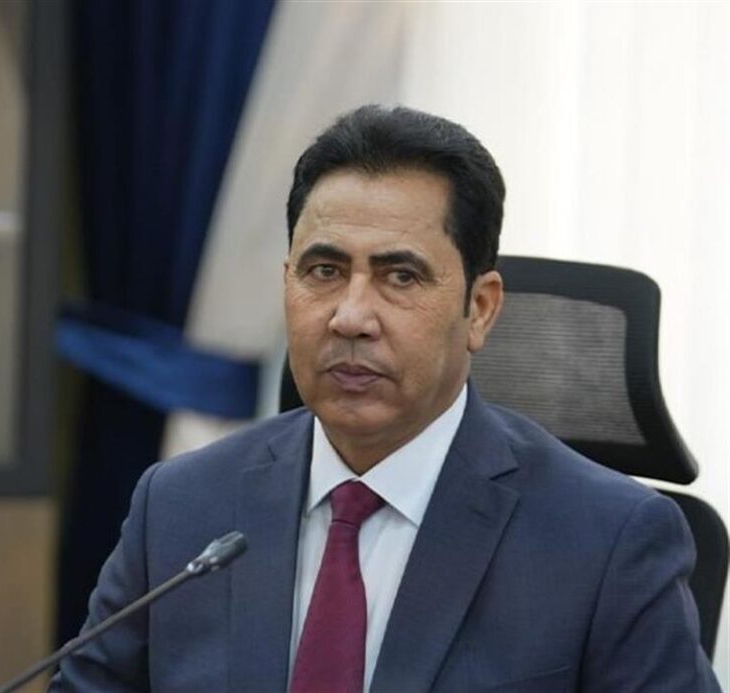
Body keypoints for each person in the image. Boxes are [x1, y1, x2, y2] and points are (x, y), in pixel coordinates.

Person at [51, 105, 720, 692]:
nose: (350, 316)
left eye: (400, 276)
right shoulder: (180, 506)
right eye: (324, 270)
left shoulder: (606, 540)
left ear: (480, 309)